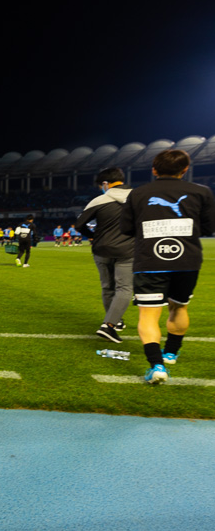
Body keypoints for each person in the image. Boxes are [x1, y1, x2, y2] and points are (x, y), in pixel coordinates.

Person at [120, 149, 215, 384]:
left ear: (154, 169)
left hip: (150, 260)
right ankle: (171, 353)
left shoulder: (137, 193)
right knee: (179, 307)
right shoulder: (201, 191)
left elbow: (127, 229)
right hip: (187, 259)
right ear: (185, 169)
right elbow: (209, 227)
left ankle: (157, 366)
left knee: (149, 314)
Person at [74, 167, 134, 343]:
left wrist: (92, 236)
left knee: (107, 287)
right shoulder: (138, 197)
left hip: (101, 249)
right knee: (124, 288)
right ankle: (109, 325)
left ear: (106, 183)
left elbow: (79, 225)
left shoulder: (99, 200)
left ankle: (116, 321)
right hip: (127, 250)